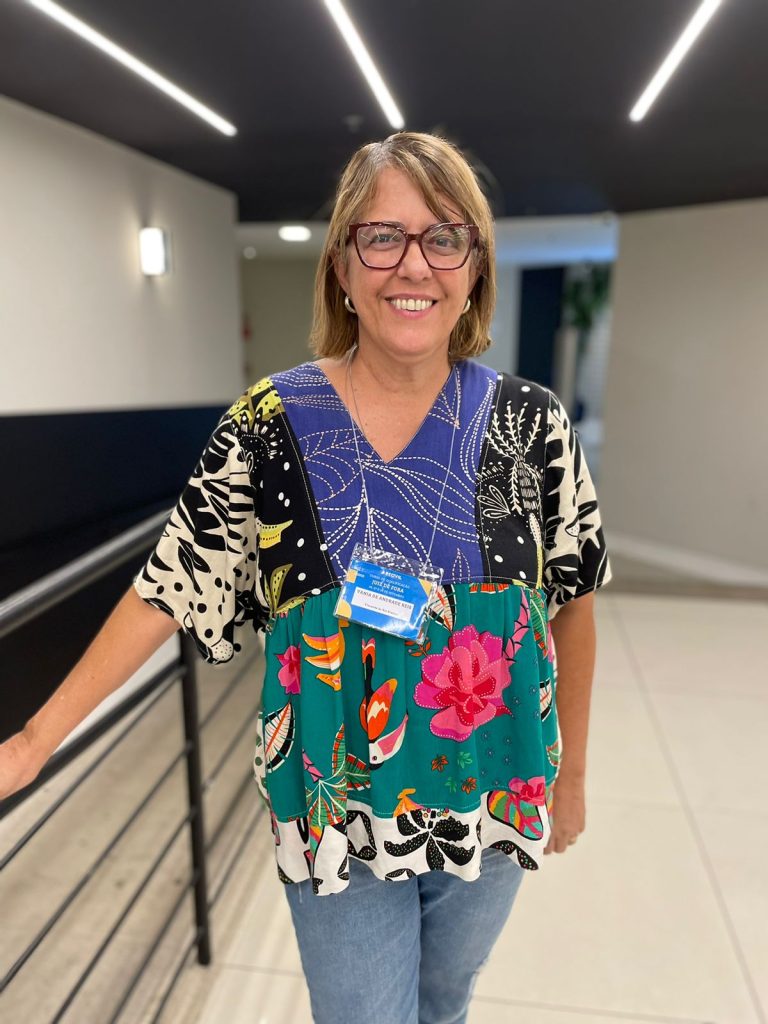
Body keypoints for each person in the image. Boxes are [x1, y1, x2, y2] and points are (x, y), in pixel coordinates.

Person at [0, 132, 611, 1024]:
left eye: (445, 237)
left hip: (494, 792)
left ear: (474, 266)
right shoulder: (271, 424)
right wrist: (32, 741)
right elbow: (169, 584)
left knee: (444, 1001)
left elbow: (574, 604)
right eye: (383, 236)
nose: (414, 264)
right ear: (342, 265)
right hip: (335, 809)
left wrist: (573, 776)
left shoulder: (532, 426)